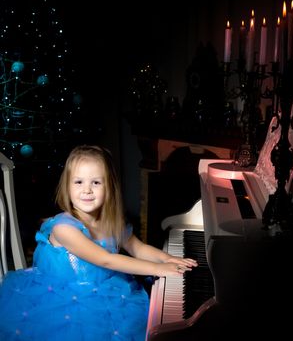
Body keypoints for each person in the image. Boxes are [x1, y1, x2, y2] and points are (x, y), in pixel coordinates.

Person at [0, 145, 198, 341]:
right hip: (62, 296)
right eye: (78, 182)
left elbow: (138, 248)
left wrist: (168, 258)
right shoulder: (63, 228)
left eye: (96, 182)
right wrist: (158, 268)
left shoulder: (111, 220)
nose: (87, 190)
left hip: (106, 289)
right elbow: (106, 260)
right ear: (67, 186)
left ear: (109, 186)